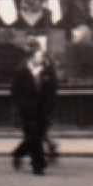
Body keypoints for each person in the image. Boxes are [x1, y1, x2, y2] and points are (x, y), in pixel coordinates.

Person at [10, 40, 58, 175]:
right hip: (27, 110)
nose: (42, 58)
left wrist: (50, 106)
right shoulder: (22, 72)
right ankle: (38, 166)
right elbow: (15, 91)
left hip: (43, 110)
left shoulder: (47, 72)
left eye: (42, 56)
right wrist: (20, 106)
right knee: (34, 137)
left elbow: (53, 89)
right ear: (32, 57)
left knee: (36, 136)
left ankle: (18, 153)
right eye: (39, 56)